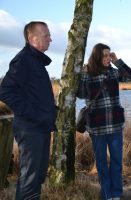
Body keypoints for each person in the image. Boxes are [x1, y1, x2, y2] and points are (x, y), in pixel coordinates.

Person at [0, 21, 56, 199]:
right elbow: (6, 90)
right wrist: (34, 114)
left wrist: (49, 112)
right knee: (30, 179)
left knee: (37, 177)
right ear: (32, 39)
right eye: (46, 35)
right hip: (30, 128)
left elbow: (34, 95)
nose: (50, 39)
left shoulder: (36, 61)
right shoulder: (24, 59)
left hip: (40, 127)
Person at [77, 43, 131, 200]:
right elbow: (81, 95)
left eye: (109, 55)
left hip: (115, 125)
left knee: (116, 162)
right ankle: (107, 194)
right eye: (105, 55)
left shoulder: (114, 73)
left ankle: (117, 193)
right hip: (96, 127)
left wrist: (118, 62)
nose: (108, 58)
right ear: (97, 56)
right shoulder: (88, 74)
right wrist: (82, 75)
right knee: (101, 163)